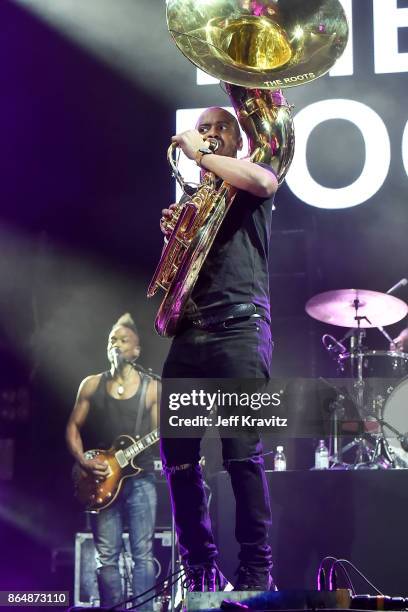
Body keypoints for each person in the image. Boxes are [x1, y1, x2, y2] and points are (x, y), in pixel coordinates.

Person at [159, 107, 279, 591]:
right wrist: (175, 234)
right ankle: (201, 569)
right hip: (190, 335)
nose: (208, 134)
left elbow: (265, 183)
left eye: (219, 127)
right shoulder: (199, 198)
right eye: (202, 128)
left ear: (238, 136)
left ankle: (255, 571)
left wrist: (201, 152)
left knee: (241, 454)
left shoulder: (252, 179)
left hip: (239, 333)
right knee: (179, 458)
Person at [66, 314, 159, 610]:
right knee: (107, 556)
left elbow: (162, 434)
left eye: (123, 340)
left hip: (141, 479)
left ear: (136, 351)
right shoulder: (91, 384)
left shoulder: (152, 387)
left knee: (142, 554)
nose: (116, 345)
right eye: (111, 340)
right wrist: (82, 461)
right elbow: (72, 428)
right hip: (101, 479)